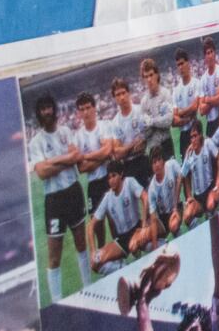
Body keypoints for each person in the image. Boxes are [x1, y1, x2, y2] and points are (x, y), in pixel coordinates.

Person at [27, 94, 91, 301]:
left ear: (54, 110)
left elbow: (78, 158)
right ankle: (57, 301)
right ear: (39, 114)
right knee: (54, 255)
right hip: (53, 200)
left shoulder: (65, 132)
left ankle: (89, 288)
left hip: (73, 191)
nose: (46, 112)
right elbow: (42, 173)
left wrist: (51, 162)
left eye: (49, 108)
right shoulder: (35, 142)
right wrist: (66, 159)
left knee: (81, 243)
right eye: (42, 109)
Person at [87, 162, 153, 272]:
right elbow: (90, 226)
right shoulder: (108, 197)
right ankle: (123, 268)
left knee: (140, 245)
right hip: (122, 239)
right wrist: (93, 251)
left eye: (114, 176)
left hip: (137, 229)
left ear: (121, 174)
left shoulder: (129, 182)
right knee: (95, 264)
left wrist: (144, 225)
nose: (111, 180)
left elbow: (145, 198)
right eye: (109, 178)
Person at [74, 91, 114, 248]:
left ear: (94, 108)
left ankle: (120, 250)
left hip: (107, 179)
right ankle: (103, 252)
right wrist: (102, 157)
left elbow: (108, 150)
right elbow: (81, 168)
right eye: (82, 109)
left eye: (88, 108)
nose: (85, 112)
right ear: (78, 113)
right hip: (92, 184)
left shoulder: (103, 126)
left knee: (113, 217)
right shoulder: (78, 136)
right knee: (97, 223)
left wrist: (87, 156)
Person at [181, 121, 219, 225]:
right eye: (191, 137)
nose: (193, 140)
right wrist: (188, 195)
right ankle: (199, 229)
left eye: (195, 136)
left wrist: (218, 178)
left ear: (201, 135)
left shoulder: (208, 143)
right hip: (198, 197)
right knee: (187, 216)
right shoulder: (189, 153)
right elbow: (184, 176)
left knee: (210, 205)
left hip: (210, 189)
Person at [108, 78, 150, 188]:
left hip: (145, 158)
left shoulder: (140, 110)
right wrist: (132, 145)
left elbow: (150, 133)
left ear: (128, 93)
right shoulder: (115, 122)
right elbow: (117, 154)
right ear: (114, 98)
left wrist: (126, 148)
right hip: (129, 166)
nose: (121, 97)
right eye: (118, 95)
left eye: (123, 93)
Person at [145, 145, 185, 244]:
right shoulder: (152, 188)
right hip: (163, 216)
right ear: (151, 166)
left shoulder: (171, 165)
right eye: (154, 163)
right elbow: (154, 217)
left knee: (173, 226)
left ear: (163, 160)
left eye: (159, 160)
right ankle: (162, 244)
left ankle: (180, 238)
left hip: (177, 207)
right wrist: (154, 246)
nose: (157, 164)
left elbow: (181, 177)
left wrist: (175, 206)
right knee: (146, 234)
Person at [139, 58, 175, 165]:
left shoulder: (165, 94)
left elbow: (168, 121)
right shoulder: (144, 102)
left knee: (172, 177)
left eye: (151, 75)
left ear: (157, 75)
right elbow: (145, 132)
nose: (149, 79)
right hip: (153, 147)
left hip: (166, 143)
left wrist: (152, 121)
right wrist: (157, 121)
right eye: (146, 76)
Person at [172, 47, 201, 158]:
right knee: (187, 171)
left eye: (182, 63)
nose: (180, 67)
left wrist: (181, 113)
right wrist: (187, 118)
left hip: (195, 129)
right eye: (178, 65)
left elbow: (194, 107)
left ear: (188, 63)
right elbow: (174, 119)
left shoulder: (196, 83)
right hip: (183, 135)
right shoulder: (175, 90)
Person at [197, 38, 219, 137]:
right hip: (209, 124)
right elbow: (201, 111)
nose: (209, 55)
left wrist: (206, 99)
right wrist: (215, 99)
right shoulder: (203, 79)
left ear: (214, 53)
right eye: (207, 53)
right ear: (204, 57)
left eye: (211, 52)